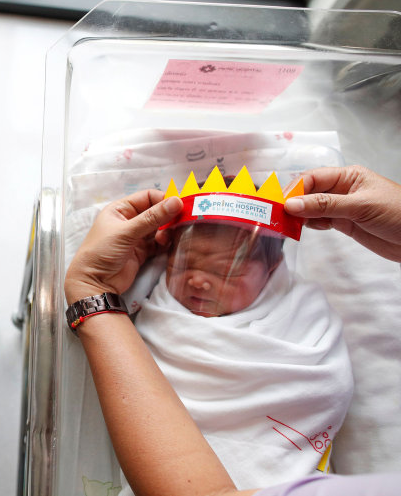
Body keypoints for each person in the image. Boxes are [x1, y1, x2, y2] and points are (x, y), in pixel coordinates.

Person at [64, 165, 401, 496]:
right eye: (185, 263)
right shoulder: (160, 301)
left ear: (272, 269)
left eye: (226, 272)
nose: (197, 279)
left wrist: (90, 289)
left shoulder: (301, 313)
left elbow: (322, 381)